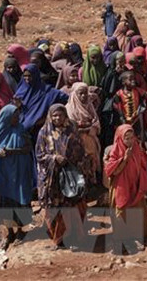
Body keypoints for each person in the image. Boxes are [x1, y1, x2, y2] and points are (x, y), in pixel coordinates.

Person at [35, 105, 89, 250]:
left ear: (65, 116)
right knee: (54, 208)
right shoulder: (44, 132)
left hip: (70, 176)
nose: (57, 118)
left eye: (60, 115)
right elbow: (39, 155)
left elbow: (81, 151)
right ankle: (58, 239)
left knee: (72, 207)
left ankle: (73, 239)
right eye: (54, 116)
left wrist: (69, 160)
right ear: (50, 116)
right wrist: (54, 158)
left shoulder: (72, 131)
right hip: (52, 179)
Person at [0, 105, 33, 250]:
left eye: (18, 115)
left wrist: (13, 151)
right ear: (7, 117)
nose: (17, 118)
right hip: (2, 174)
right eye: (15, 116)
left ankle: (20, 231)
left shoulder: (21, 130)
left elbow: (29, 148)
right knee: (3, 202)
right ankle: (9, 233)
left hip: (18, 173)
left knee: (18, 201)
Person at [104, 124, 147, 254]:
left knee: (136, 209)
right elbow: (111, 171)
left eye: (131, 137)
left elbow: (142, 164)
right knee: (121, 212)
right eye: (126, 138)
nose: (130, 141)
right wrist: (124, 159)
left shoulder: (136, 148)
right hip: (121, 186)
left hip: (134, 184)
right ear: (120, 138)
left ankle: (137, 236)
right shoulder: (114, 151)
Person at [15, 64, 68, 135]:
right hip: (21, 126)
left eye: (29, 76)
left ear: (35, 75)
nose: (27, 78)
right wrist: (18, 105)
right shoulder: (21, 90)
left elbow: (65, 98)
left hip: (39, 128)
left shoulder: (47, 92)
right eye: (25, 76)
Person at [66, 82, 102, 185]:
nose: (83, 96)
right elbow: (71, 127)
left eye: (85, 93)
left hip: (91, 139)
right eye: (80, 93)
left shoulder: (89, 106)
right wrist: (85, 128)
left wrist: (89, 127)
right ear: (74, 94)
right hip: (78, 142)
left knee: (92, 161)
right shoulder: (69, 108)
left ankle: (92, 183)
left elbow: (96, 122)